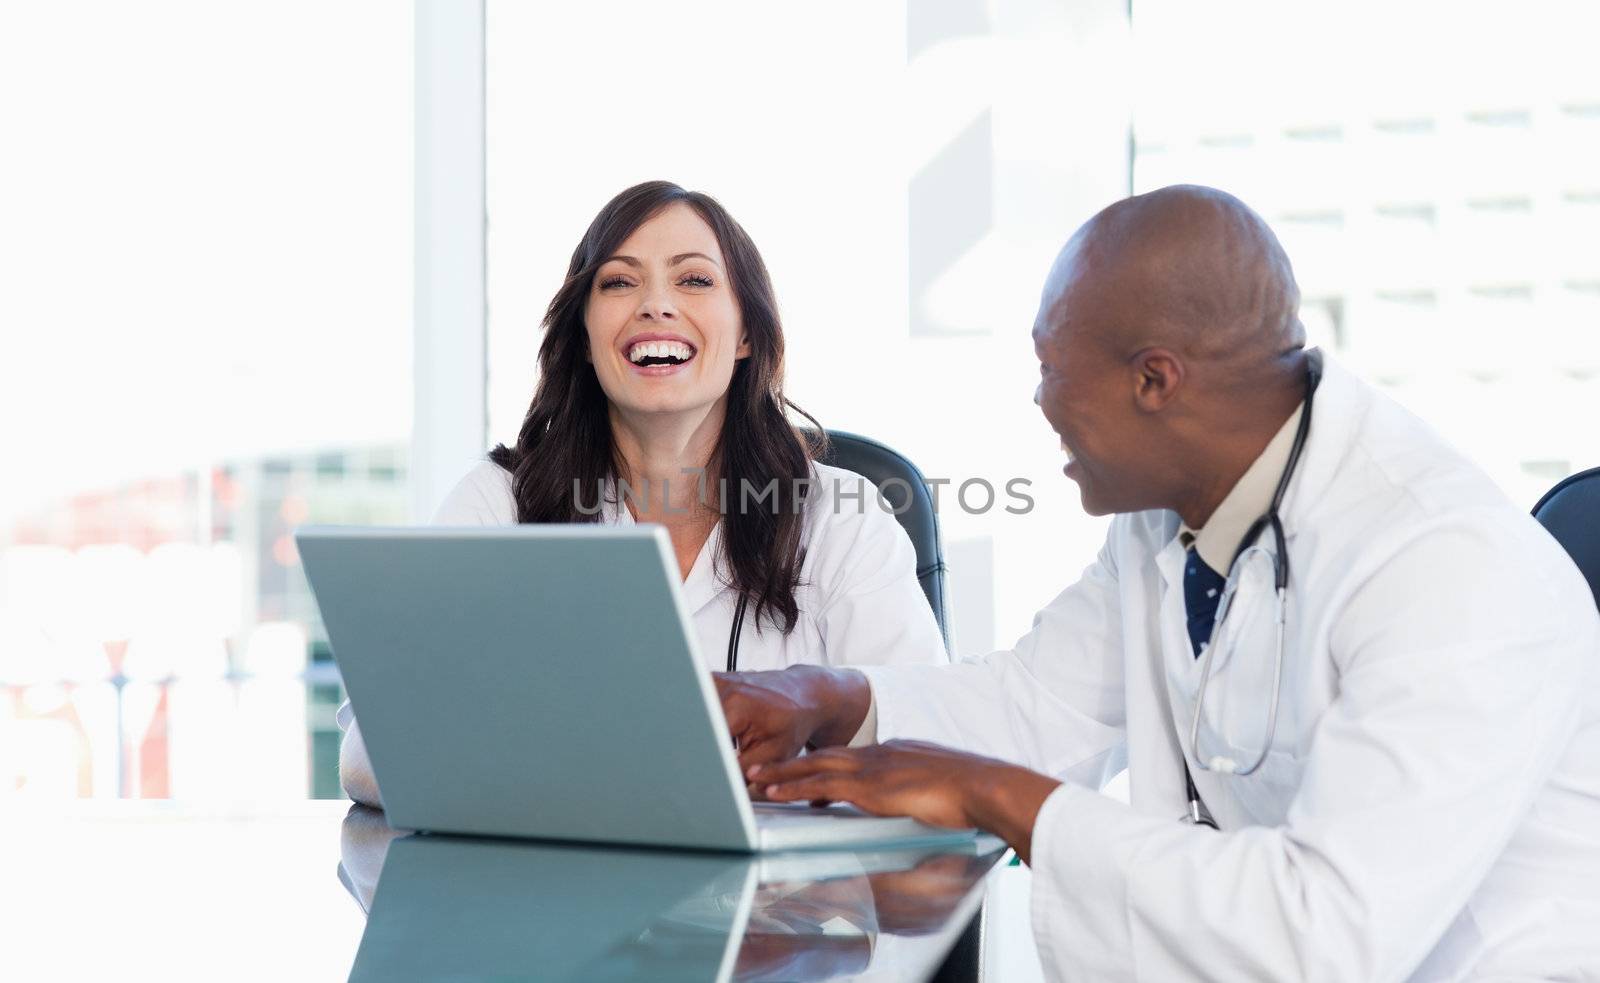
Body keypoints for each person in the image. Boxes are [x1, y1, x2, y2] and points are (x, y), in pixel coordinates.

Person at [718, 185, 1600, 980]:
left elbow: (1325, 938)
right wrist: (828, 697)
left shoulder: (1446, 568)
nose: (1038, 399)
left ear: (1154, 380)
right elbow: (1036, 706)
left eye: (1050, 365)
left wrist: (996, 795)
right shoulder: (1170, 512)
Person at [338, 181, 948, 807]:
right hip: (562, 895)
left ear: (745, 335)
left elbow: (931, 738)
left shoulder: (838, 518)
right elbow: (369, 753)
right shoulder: (499, 503)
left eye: (694, 281)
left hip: (793, 900)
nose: (656, 305)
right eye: (619, 283)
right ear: (584, 335)